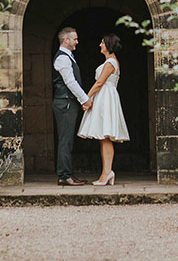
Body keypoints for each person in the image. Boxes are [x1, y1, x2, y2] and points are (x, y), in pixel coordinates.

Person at [77, 33, 129, 185]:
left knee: (105, 136)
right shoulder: (110, 61)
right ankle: (106, 172)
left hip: (106, 97)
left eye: (102, 43)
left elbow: (100, 82)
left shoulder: (110, 63)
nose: (100, 45)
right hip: (104, 97)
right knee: (102, 137)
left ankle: (107, 172)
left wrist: (86, 98)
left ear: (108, 45)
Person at [52, 27, 93, 186]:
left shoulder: (68, 57)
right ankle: (64, 176)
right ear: (66, 40)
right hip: (65, 102)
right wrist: (84, 99)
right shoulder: (62, 58)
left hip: (68, 102)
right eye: (74, 39)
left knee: (67, 140)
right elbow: (70, 82)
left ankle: (68, 173)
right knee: (65, 140)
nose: (77, 42)